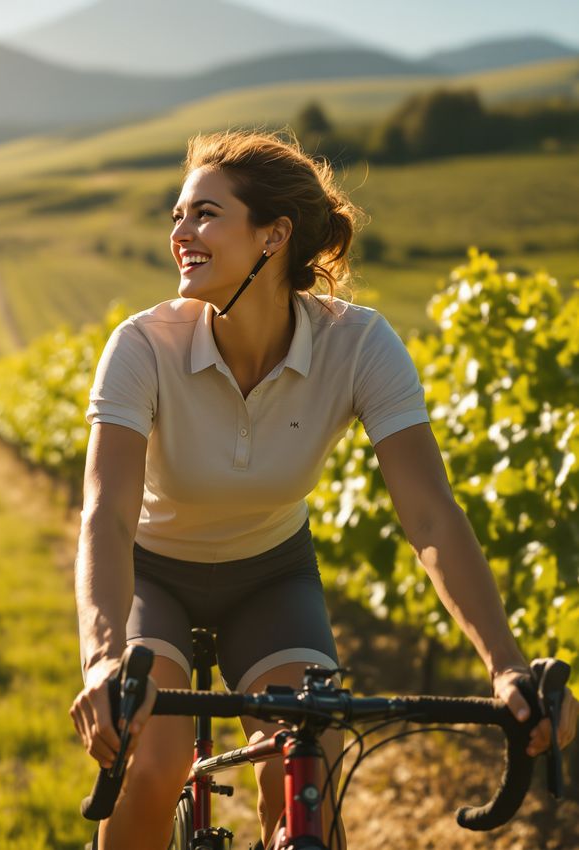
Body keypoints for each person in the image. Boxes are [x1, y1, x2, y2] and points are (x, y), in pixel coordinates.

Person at [69, 130, 577, 849]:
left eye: (205, 214)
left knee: (305, 773)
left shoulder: (360, 345)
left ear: (274, 236)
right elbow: (107, 515)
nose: (180, 232)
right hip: (153, 573)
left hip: (270, 578)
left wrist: (506, 666)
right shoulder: (143, 344)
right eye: (177, 215)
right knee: (150, 765)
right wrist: (103, 659)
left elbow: (430, 513)